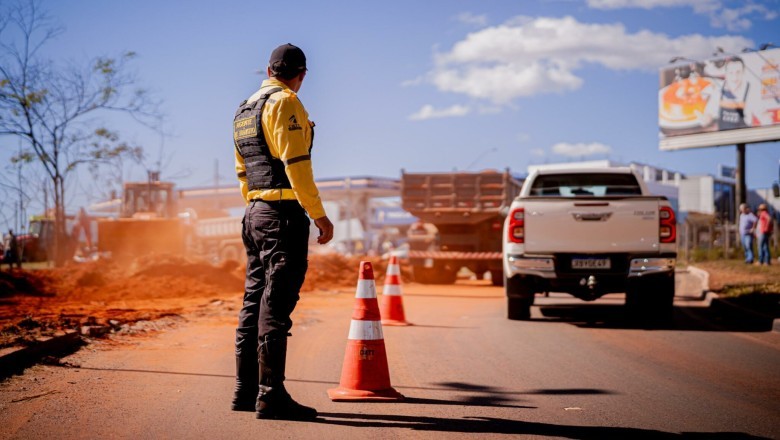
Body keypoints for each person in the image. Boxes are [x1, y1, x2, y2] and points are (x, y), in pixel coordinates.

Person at [231, 43, 333, 421]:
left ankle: (244, 391)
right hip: (282, 216)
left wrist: (256, 207)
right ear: (301, 75)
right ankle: (271, 395)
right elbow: (296, 164)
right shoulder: (286, 102)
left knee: (253, 301)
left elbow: (242, 171)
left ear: (268, 70)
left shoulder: (244, 110)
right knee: (275, 304)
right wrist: (318, 214)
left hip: (254, 214)